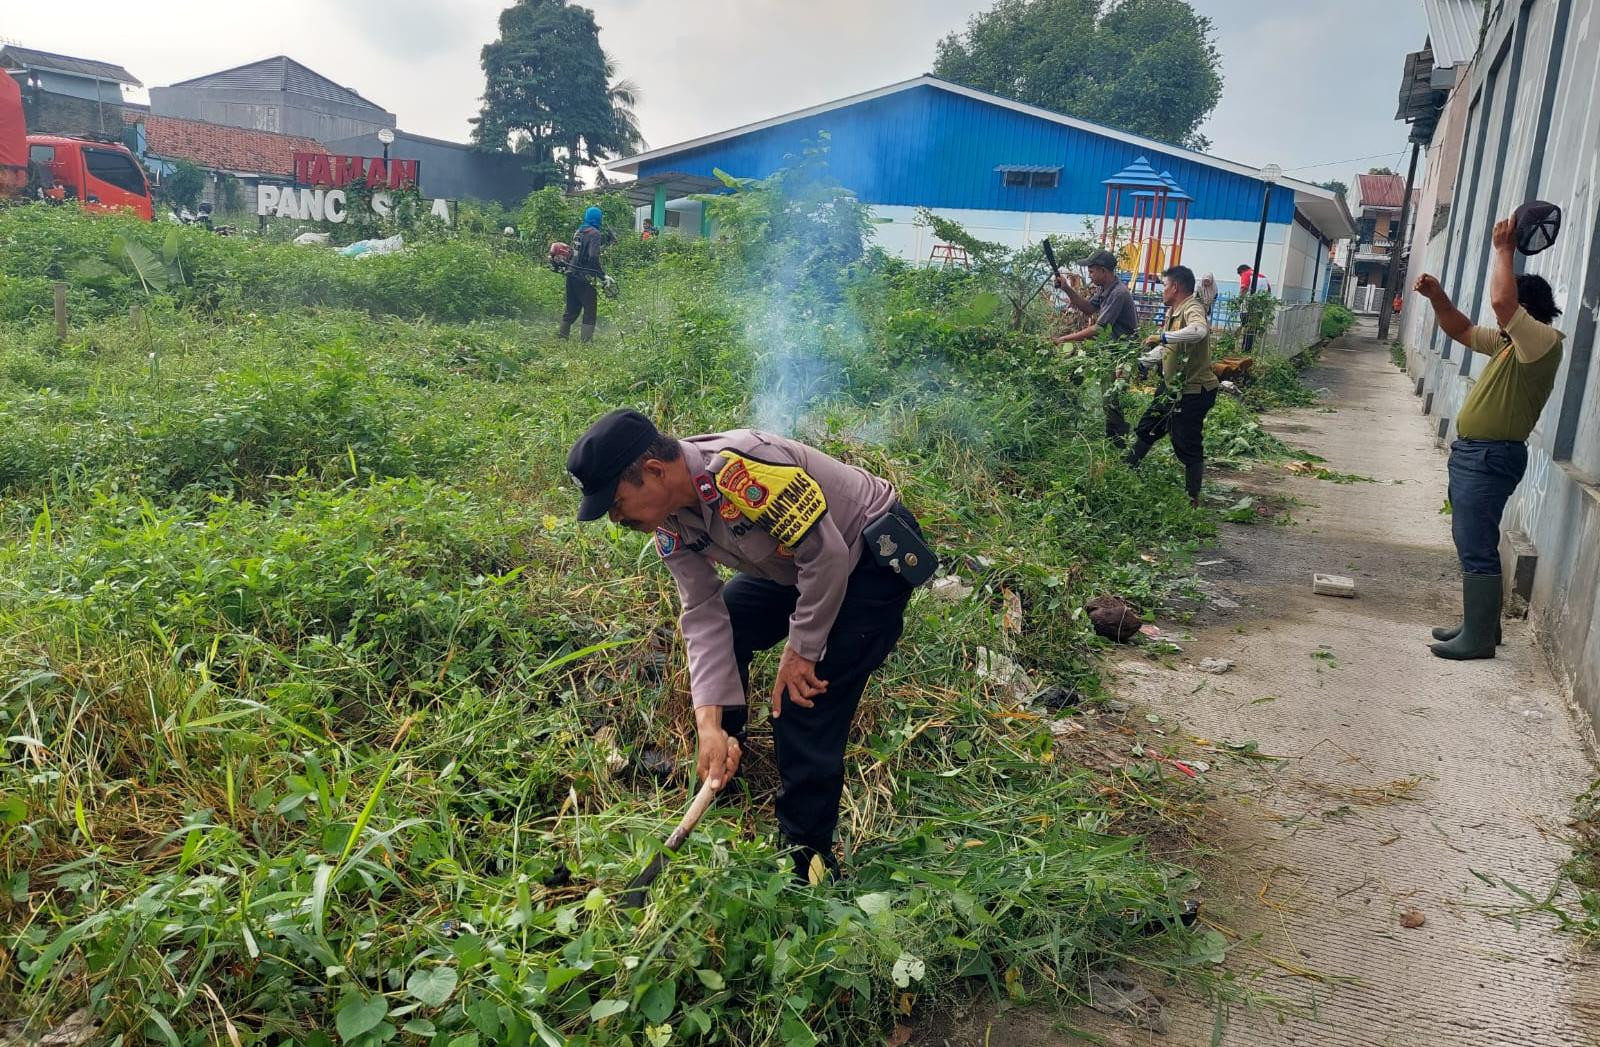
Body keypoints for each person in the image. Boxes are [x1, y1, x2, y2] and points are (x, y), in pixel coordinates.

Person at [566, 411, 934, 883]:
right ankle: (724, 761)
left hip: (866, 556)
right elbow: (702, 610)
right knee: (734, 619)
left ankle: (807, 858)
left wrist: (801, 651)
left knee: (803, 698)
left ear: (655, 471)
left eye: (617, 503)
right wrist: (709, 723)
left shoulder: (744, 469)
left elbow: (827, 556)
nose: (617, 519)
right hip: (798, 566)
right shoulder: (669, 522)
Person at [1413, 215, 1564, 660]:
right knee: (1472, 538)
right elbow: (1460, 329)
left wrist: (1503, 250)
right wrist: (1438, 297)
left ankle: (1478, 639)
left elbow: (1501, 302)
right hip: (1477, 454)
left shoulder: (1540, 342)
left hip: (1490, 456)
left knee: (1475, 541)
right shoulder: (1508, 344)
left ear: (1525, 311)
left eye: (1510, 314)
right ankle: (1482, 626)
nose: (1499, 319)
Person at [1124, 265, 1220, 507]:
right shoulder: (1173, 312)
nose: (1162, 291)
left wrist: (1164, 336)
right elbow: (1169, 347)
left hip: (1193, 391)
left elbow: (1199, 331)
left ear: (1175, 287)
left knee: (1186, 441)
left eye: (1165, 286)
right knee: (1148, 427)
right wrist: (1142, 362)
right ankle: (1124, 472)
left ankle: (1192, 498)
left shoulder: (1192, 308)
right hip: (1171, 387)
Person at [1053, 249, 1141, 446]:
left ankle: (1118, 444)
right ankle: (1112, 440)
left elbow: (1099, 328)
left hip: (1123, 353)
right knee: (1103, 393)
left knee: (1112, 398)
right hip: (1111, 349)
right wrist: (1066, 288)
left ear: (1103, 271)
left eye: (1092, 271)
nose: (1090, 275)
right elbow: (1088, 308)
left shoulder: (1118, 293)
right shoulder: (1104, 289)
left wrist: (1064, 338)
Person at [559, 206, 607, 343]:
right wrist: (602, 276)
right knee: (590, 310)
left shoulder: (579, 231)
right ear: (598, 218)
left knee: (571, 309)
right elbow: (593, 257)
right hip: (585, 277)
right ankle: (586, 343)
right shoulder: (595, 233)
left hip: (571, 273)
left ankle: (562, 338)